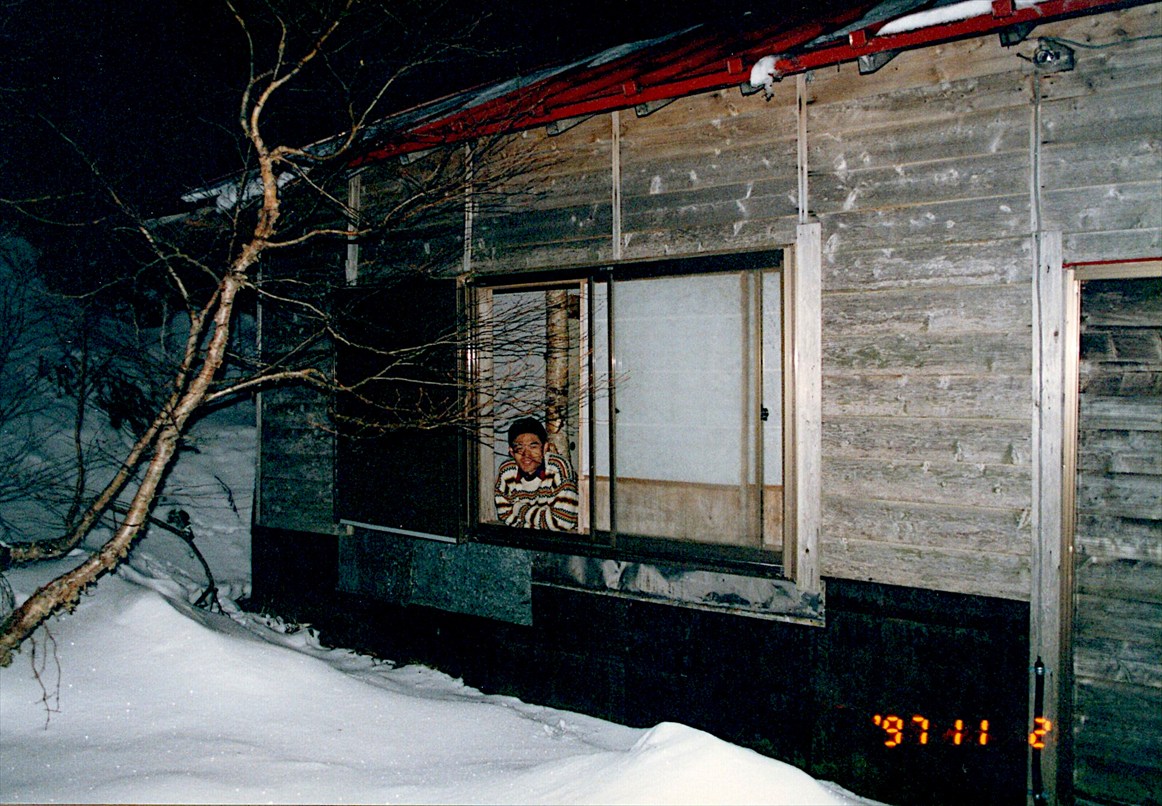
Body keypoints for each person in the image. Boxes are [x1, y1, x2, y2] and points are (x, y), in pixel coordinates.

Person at [494, 417, 579, 531]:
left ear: (545, 448)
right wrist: (540, 522)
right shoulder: (507, 472)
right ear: (511, 452)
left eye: (533, 447)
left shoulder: (558, 467)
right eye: (519, 448)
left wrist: (519, 509)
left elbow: (562, 522)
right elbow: (505, 516)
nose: (526, 455)